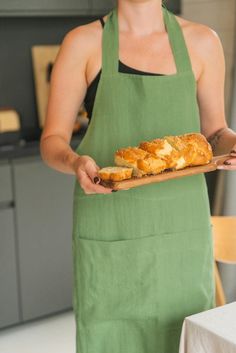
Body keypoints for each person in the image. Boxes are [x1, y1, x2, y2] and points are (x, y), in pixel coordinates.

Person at [40, 0, 236, 352]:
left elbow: (216, 132)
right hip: (111, 227)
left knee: (181, 338)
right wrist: (74, 161)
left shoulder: (203, 42)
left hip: (181, 233)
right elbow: (52, 140)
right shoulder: (82, 44)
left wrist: (232, 142)